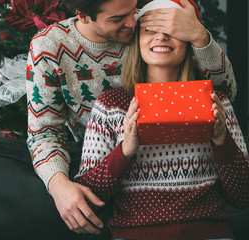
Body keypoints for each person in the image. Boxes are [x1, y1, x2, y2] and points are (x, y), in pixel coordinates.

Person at [26, 0, 237, 235]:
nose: (131, 23)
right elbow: (43, 131)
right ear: (83, 16)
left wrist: (199, 35)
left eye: (133, 10)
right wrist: (58, 184)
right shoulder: (49, 46)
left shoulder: (147, 26)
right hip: (103, 159)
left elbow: (222, 91)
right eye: (117, 19)